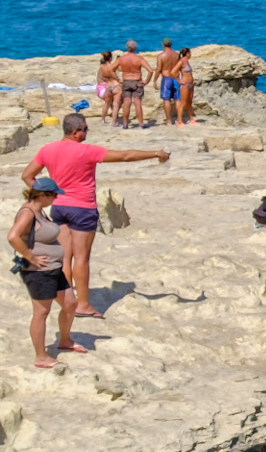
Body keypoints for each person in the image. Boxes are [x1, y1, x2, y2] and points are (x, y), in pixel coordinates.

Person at [21, 112, 169, 318]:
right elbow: (125, 156)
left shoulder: (48, 149)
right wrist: (155, 153)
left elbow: (27, 176)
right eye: (85, 130)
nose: (87, 133)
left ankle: (67, 300)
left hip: (59, 207)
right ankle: (83, 305)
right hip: (82, 208)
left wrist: (45, 196)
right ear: (75, 132)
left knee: (65, 257)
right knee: (81, 258)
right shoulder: (87, 151)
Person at [9, 174, 88, 369]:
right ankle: (41, 356)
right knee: (41, 313)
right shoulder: (28, 212)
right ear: (43, 195)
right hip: (38, 272)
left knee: (70, 304)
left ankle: (65, 340)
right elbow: (13, 237)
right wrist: (31, 257)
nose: (55, 199)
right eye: (53, 195)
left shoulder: (40, 210)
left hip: (53, 268)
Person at [114, 40, 149, 129]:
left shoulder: (122, 59)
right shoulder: (139, 58)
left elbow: (111, 69)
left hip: (126, 81)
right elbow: (150, 70)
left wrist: (118, 79)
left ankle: (125, 124)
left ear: (126, 48)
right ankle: (141, 123)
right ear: (135, 48)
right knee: (137, 102)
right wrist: (146, 81)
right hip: (137, 81)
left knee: (126, 102)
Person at [155, 40, 185, 128]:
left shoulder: (161, 56)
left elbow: (159, 69)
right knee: (177, 99)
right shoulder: (177, 55)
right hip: (176, 78)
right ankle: (180, 120)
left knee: (166, 100)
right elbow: (180, 67)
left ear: (163, 45)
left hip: (166, 78)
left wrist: (154, 80)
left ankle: (169, 120)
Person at [93, 52, 115, 122]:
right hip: (104, 89)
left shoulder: (101, 67)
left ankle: (113, 114)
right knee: (110, 101)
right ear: (110, 58)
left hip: (99, 89)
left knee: (110, 100)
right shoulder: (108, 68)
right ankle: (103, 118)